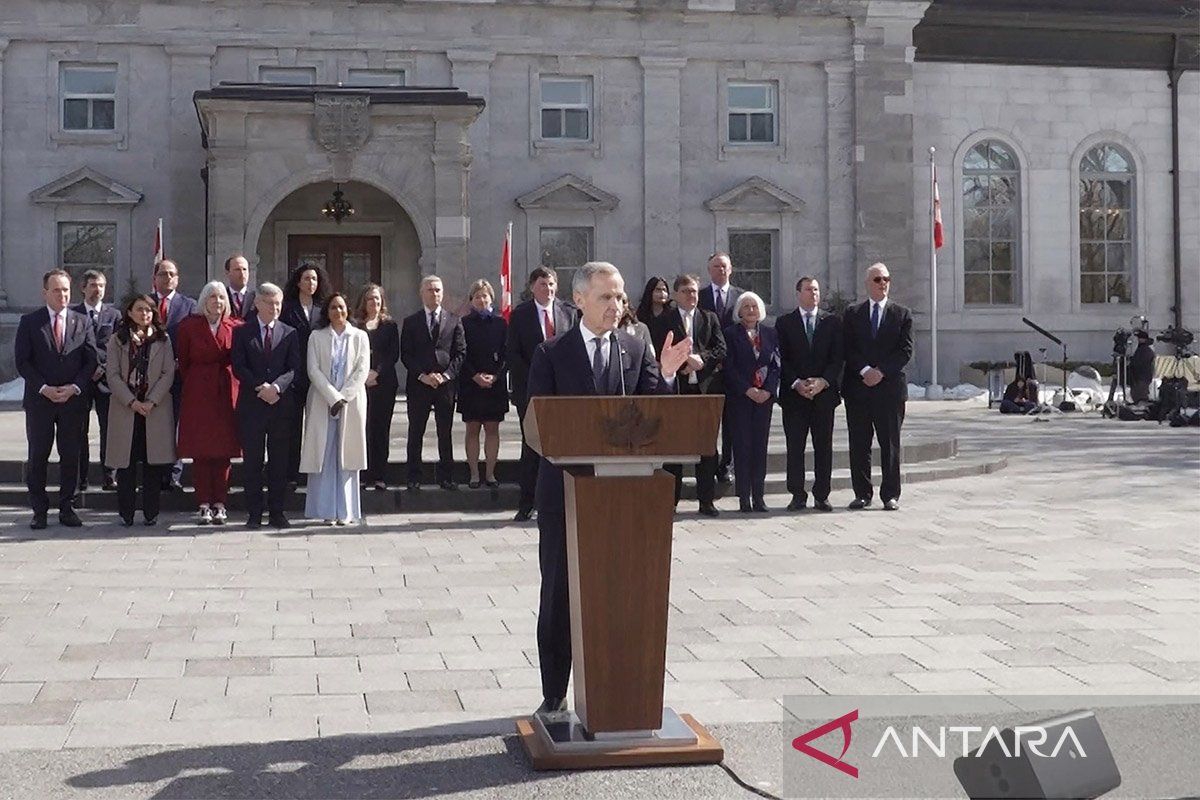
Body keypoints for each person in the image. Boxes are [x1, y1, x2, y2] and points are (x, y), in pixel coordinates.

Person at [527, 260, 691, 717]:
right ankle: (554, 690)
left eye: (620, 297)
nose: (616, 305)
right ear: (578, 300)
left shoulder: (635, 349)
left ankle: (619, 688)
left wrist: (670, 375)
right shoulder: (551, 353)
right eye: (605, 297)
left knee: (623, 591)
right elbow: (538, 424)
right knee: (559, 590)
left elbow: (656, 414)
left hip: (625, 496)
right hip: (565, 494)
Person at [14, 269, 97, 529]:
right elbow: (22, 362)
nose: (62, 295)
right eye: (57, 290)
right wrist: (43, 388)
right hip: (41, 401)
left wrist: (75, 387)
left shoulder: (81, 321)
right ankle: (39, 510)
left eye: (66, 290)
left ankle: (67, 508)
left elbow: (91, 359)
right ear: (45, 293)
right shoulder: (30, 322)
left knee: (70, 455)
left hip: (72, 402)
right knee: (38, 455)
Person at [649, 274, 726, 516]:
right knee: (674, 448)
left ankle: (706, 500)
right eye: (685, 291)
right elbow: (658, 352)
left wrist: (700, 360)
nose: (691, 295)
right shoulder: (664, 321)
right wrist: (681, 360)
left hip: (703, 391)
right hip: (677, 391)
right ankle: (671, 501)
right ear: (675, 294)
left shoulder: (709, 318)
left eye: (693, 291)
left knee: (707, 448)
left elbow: (720, 348)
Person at [505, 266, 578, 521]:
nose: (547, 289)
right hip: (532, 392)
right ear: (532, 287)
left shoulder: (569, 312)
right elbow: (513, 353)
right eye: (542, 285)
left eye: (551, 284)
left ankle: (564, 501)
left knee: (565, 447)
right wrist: (537, 379)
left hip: (564, 393)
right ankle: (527, 503)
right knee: (532, 447)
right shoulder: (520, 315)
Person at [842, 262, 913, 511]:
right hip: (858, 388)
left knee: (890, 443)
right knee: (859, 443)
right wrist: (865, 371)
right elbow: (847, 348)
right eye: (878, 280)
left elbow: (905, 351)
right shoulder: (852, 314)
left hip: (889, 389)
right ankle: (862, 493)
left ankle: (890, 494)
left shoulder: (902, 314)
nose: (883, 284)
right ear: (867, 283)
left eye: (887, 279)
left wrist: (881, 372)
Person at [231, 283, 302, 529]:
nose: (275, 308)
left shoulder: (289, 332)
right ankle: (254, 513)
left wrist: (277, 388)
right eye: (270, 303)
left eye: (278, 304)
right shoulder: (242, 332)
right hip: (253, 405)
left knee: (279, 461)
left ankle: (277, 512)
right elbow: (239, 366)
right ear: (258, 304)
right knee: (253, 461)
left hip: (281, 406)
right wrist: (261, 387)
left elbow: (294, 368)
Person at [105, 295, 176, 527]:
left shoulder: (163, 340)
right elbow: (112, 375)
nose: (145, 314)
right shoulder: (118, 340)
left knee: (152, 464)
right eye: (140, 310)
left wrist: (151, 401)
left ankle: (151, 512)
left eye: (149, 310)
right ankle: (126, 512)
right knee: (126, 463)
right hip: (126, 408)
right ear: (129, 312)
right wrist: (132, 402)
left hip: (154, 409)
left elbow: (168, 373)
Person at [176, 281, 243, 525]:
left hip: (226, 392)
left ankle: (220, 503)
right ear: (204, 300)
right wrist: (197, 380)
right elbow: (183, 361)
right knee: (201, 451)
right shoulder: (189, 327)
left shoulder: (236, 326)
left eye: (222, 298)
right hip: (198, 392)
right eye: (213, 297)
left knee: (223, 451)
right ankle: (203, 503)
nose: (217, 302)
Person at [776, 276, 843, 512]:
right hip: (795, 397)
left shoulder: (832, 322)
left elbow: (837, 358)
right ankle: (797, 494)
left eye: (816, 289)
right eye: (808, 289)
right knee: (795, 447)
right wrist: (796, 383)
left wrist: (823, 381)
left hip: (824, 396)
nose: (813, 293)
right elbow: (781, 359)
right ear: (798, 293)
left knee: (823, 446)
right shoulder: (785, 323)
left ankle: (822, 495)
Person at [302, 293, 369, 525]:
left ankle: (346, 511)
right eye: (333, 308)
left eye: (341, 307)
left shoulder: (360, 337)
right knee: (325, 454)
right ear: (327, 312)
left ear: (347, 310)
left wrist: (343, 398)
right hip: (322, 402)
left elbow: (362, 370)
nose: (338, 312)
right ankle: (326, 511)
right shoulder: (316, 337)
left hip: (350, 404)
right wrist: (332, 398)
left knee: (346, 457)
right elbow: (313, 370)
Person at [400, 275, 466, 491]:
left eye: (437, 290)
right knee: (416, 430)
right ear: (422, 293)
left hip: (445, 385)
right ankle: (413, 477)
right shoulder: (411, 322)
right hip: (419, 384)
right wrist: (423, 376)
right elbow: (406, 354)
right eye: (430, 290)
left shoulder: (454, 321)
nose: (434, 293)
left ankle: (446, 477)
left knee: (444, 431)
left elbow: (460, 353)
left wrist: (445, 376)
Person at [723, 291, 780, 513]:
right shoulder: (730, 334)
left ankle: (759, 496)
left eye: (754, 306)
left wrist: (767, 391)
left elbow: (776, 365)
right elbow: (729, 367)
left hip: (763, 401)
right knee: (742, 447)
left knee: (759, 447)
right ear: (739, 311)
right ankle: (744, 497)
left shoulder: (770, 333)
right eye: (746, 306)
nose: (750, 310)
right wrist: (747, 390)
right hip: (741, 399)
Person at [280, 262, 330, 487]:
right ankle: (291, 473)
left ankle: (314, 472)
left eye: (315, 279)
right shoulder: (287, 308)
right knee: (292, 427)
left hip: (318, 375)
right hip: (293, 375)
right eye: (307, 279)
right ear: (298, 282)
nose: (311, 283)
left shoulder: (323, 309)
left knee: (316, 425)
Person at [150, 258, 197, 492]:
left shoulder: (189, 306)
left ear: (177, 278)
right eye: (163, 274)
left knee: (176, 424)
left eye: (172, 274)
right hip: (150, 378)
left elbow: (194, 339)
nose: (167, 278)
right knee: (155, 426)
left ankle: (174, 474)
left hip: (179, 376)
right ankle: (155, 473)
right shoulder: (145, 304)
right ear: (155, 278)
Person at [71, 268, 120, 493]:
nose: (97, 290)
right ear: (83, 288)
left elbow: (118, 347)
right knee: (79, 429)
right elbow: (71, 347)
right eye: (92, 285)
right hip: (81, 380)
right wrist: (86, 370)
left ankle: (109, 476)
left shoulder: (114, 316)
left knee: (108, 429)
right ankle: (81, 479)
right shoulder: (74, 315)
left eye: (100, 285)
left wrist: (102, 367)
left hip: (106, 381)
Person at [458, 279, 509, 489]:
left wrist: (496, 376)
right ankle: (473, 475)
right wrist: (474, 376)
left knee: (492, 429)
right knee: (472, 429)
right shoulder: (463, 323)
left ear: (491, 298)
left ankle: (490, 474)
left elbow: (507, 353)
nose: (481, 299)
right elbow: (461, 353)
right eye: (477, 296)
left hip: (494, 384)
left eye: (485, 295)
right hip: (471, 383)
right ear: (471, 300)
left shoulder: (500, 323)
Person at [698, 251, 743, 484]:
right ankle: (709, 463)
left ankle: (728, 465)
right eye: (716, 266)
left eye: (724, 266)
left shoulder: (742, 297)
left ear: (731, 269)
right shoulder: (700, 296)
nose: (721, 270)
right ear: (709, 270)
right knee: (711, 420)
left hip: (735, 367)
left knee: (732, 420)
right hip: (710, 370)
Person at [354, 283, 399, 491]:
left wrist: (377, 372)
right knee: (362, 429)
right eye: (371, 298)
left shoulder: (390, 326)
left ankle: (379, 475)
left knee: (381, 429)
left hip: (383, 384)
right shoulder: (355, 326)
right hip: (359, 385)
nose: (374, 302)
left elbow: (392, 354)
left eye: (378, 299)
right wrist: (363, 375)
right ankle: (363, 475)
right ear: (364, 301)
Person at [223, 254, 257, 321]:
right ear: (227, 272)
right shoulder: (222, 296)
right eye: (237, 270)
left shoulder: (257, 297)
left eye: (244, 269)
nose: (242, 273)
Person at [1128, 332, 1156, 403]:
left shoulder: (1145, 349)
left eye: (1139, 338)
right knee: (1138, 395)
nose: (1138, 340)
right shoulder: (1144, 348)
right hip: (1141, 377)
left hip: (1142, 377)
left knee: (1140, 396)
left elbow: (1140, 363)